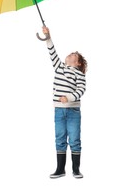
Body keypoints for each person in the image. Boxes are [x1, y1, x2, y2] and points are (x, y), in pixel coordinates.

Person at [42, 26, 87, 179]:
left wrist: (69, 98)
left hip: (73, 111)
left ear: (78, 63)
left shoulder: (79, 74)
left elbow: (81, 90)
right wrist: (48, 37)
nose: (70, 54)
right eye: (70, 53)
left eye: (74, 55)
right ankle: (60, 169)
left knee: (74, 139)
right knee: (60, 138)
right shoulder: (59, 67)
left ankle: (76, 169)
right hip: (59, 111)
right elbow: (52, 52)